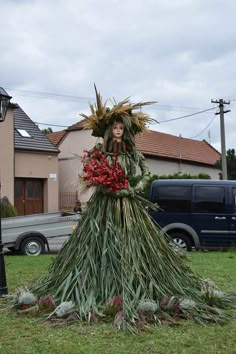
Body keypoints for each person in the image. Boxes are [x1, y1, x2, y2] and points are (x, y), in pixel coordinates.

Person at [33, 87, 235, 328]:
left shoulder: (131, 153)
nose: (118, 131)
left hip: (128, 205)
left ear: (125, 131)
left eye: (121, 128)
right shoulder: (100, 152)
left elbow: (145, 171)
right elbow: (89, 173)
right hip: (104, 206)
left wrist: (133, 186)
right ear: (109, 130)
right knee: (101, 241)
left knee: (134, 242)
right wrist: (106, 186)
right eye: (115, 128)